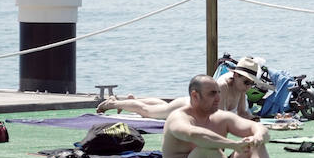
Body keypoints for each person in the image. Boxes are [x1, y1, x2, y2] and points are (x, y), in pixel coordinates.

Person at [162, 74, 296, 158]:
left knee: (254, 142)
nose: (218, 98)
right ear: (195, 96)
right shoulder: (178, 117)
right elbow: (195, 135)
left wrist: (259, 136)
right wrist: (233, 145)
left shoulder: (221, 117)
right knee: (207, 148)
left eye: (219, 93)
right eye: (212, 94)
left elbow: (257, 127)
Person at [96, 57, 264, 120]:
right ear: (235, 76)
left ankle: (132, 102)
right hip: (187, 107)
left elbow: (242, 113)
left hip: (187, 103)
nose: (249, 86)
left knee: (161, 105)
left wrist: (254, 120)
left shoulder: (240, 89)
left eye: (251, 83)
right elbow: (216, 117)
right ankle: (113, 104)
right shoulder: (222, 86)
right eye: (247, 82)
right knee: (149, 111)